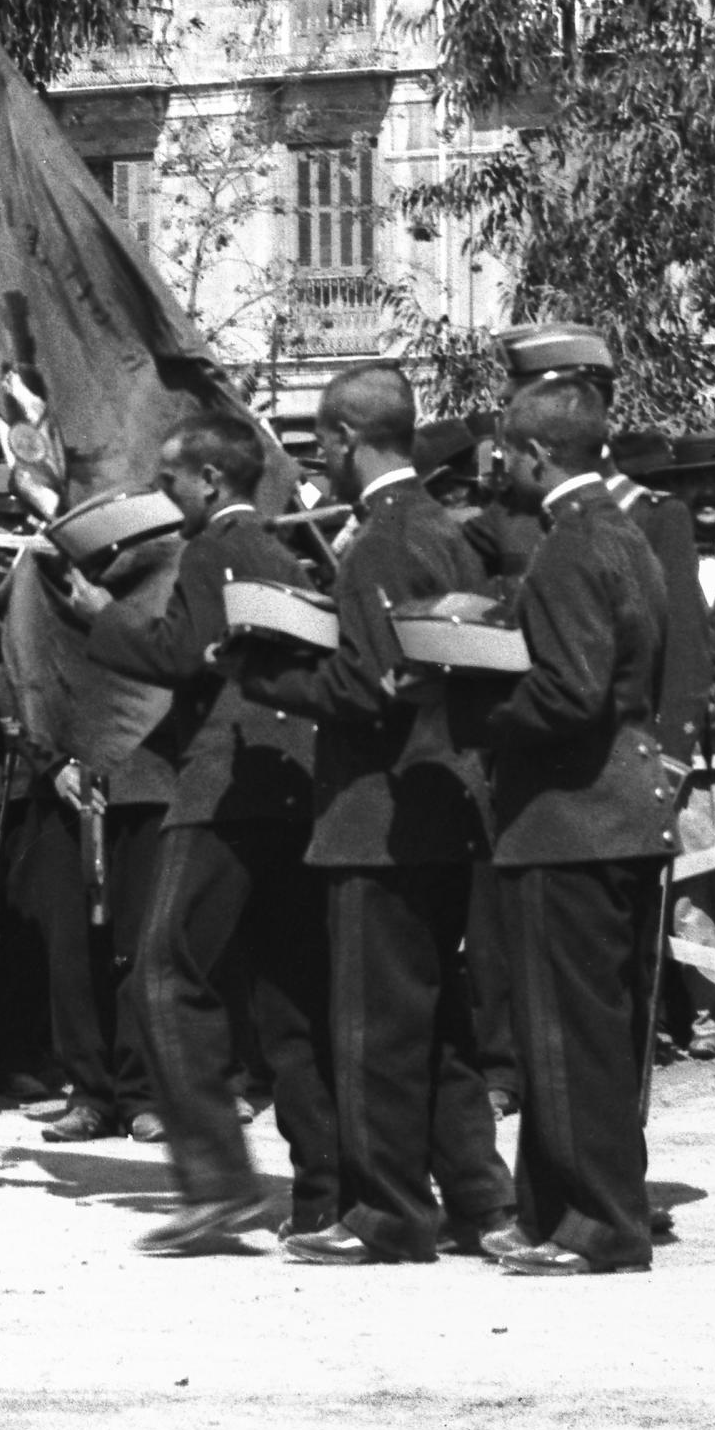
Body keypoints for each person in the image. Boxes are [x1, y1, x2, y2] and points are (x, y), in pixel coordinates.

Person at [74, 399, 343, 1258]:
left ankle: (219, 1183)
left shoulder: (214, 548)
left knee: (163, 973)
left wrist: (95, 615)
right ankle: (325, 1192)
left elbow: (179, 656)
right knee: (288, 999)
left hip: (223, 785)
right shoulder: (278, 549)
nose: (164, 497)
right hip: (293, 789)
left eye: (170, 482)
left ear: (212, 480)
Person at [281, 360, 515, 1264]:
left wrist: (272, 668)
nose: (322, 462)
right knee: (439, 1021)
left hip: (377, 812)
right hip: (442, 802)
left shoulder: (379, 542)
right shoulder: (449, 531)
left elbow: (371, 684)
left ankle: (387, 1211)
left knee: (373, 1025)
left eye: (324, 446)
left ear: (342, 440)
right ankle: (476, 1196)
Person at [470, 372, 676, 1277]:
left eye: (509, 451)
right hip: (622, 812)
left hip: (568, 818)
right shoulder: (628, 535)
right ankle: (557, 1207)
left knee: (567, 1032)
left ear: (534, 453)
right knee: (601, 1027)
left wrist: (473, 702)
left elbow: (567, 693)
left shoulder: (566, 549)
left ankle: (598, 1224)